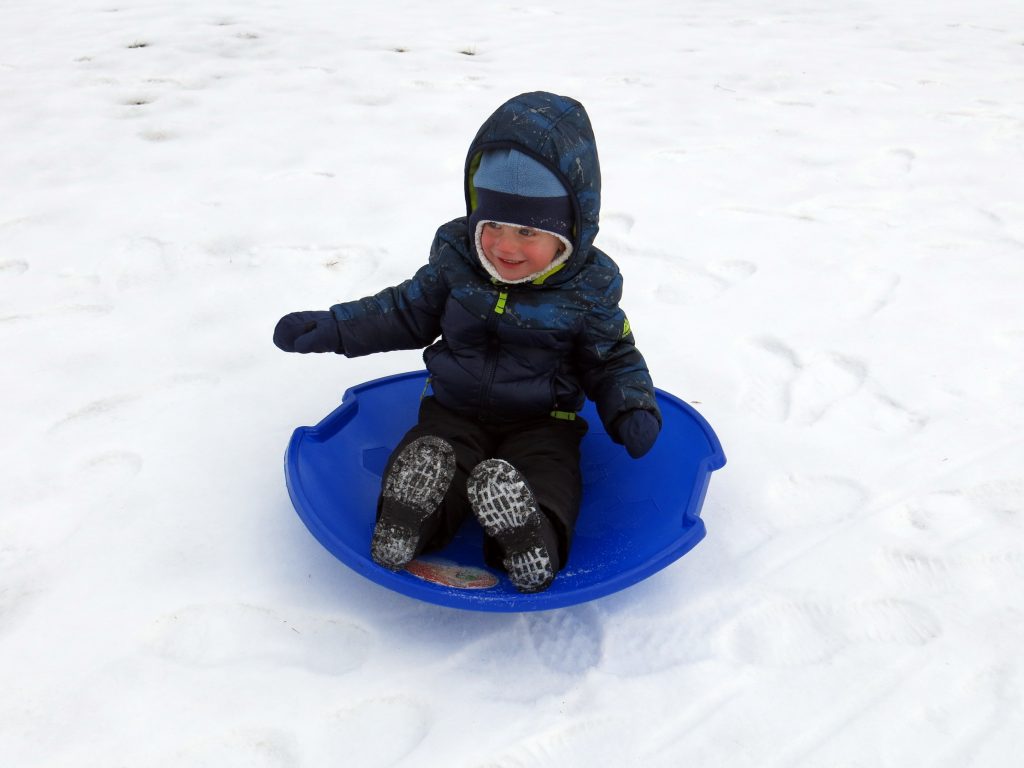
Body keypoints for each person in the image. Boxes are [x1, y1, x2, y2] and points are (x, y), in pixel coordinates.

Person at [273, 91, 661, 593]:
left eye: (527, 231)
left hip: (546, 421)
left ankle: (528, 538)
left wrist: (630, 408)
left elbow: (613, 359)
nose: (504, 245)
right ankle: (408, 521)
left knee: (549, 480)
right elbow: (401, 311)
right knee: (434, 456)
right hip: (453, 411)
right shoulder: (457, 267)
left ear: (568, 233)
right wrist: (333, 326)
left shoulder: (586, 293)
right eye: (493, 223)